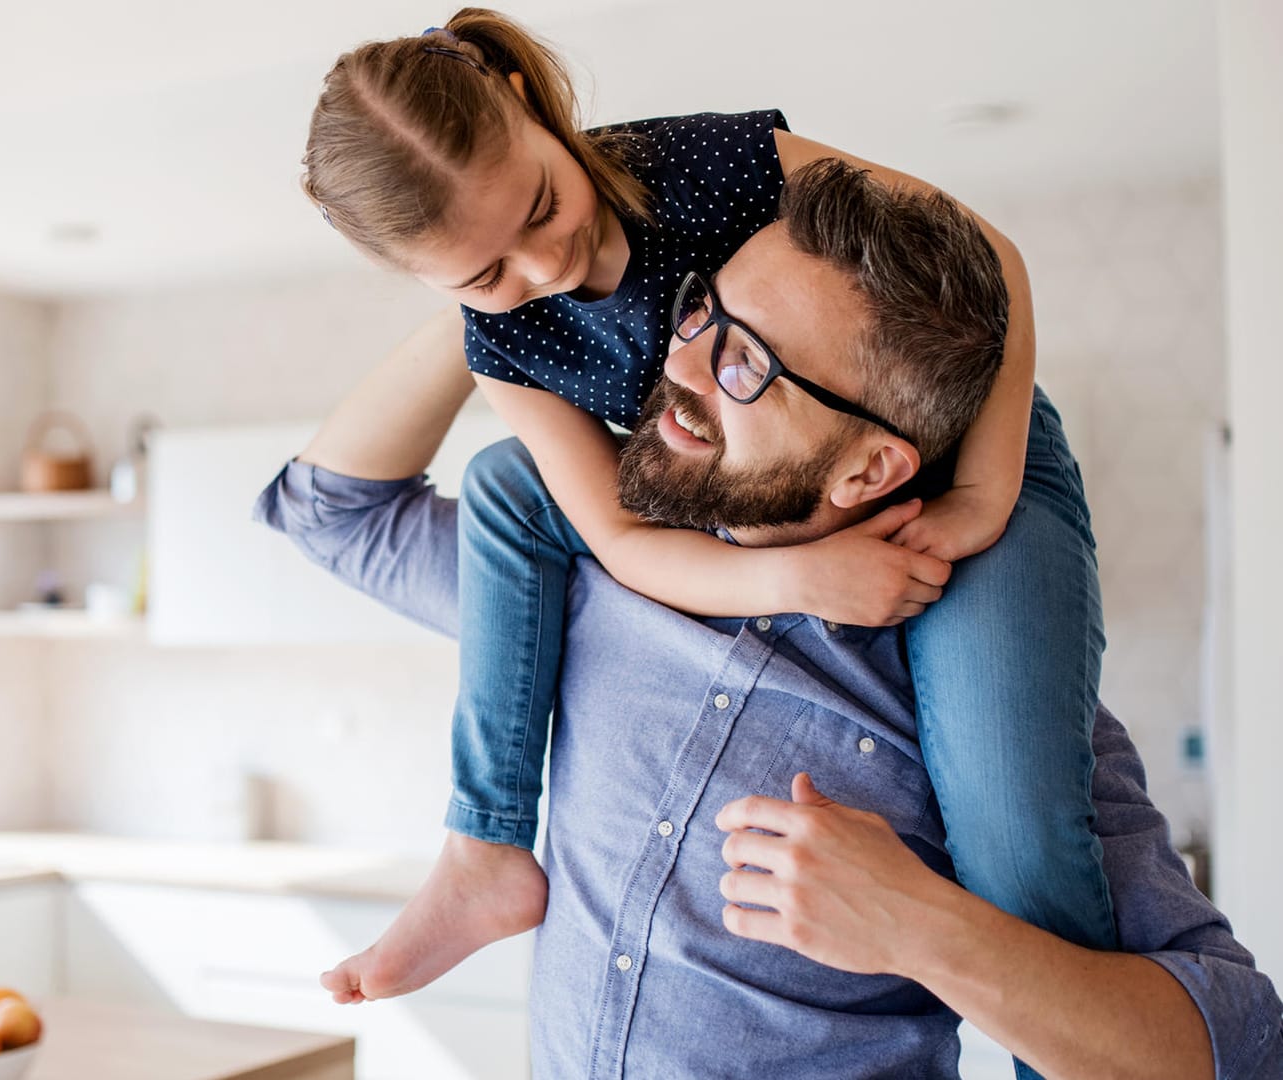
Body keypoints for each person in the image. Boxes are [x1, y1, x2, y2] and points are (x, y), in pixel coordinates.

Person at [256, 161, 1283, 1079]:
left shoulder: (999, 715)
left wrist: (926, 930)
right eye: (704, 313)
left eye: (749, 367)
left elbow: (1238, 1051)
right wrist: (505, 268)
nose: (682, 367)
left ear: (870, 467)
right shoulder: (575, 586)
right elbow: (329, 512)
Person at [300, 6, 1113, 1040]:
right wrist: (799, 582)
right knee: (510, 486)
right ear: (420, 283)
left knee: (1019, 848)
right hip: (756, 489)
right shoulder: (500, 343)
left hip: (976, 427)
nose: (543, 270)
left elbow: (988, 254)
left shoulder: (703, 161)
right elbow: (625, 542)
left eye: (542, 208)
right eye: (483, 274)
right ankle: (486, 845)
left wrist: (985, 495)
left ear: (522, 101)